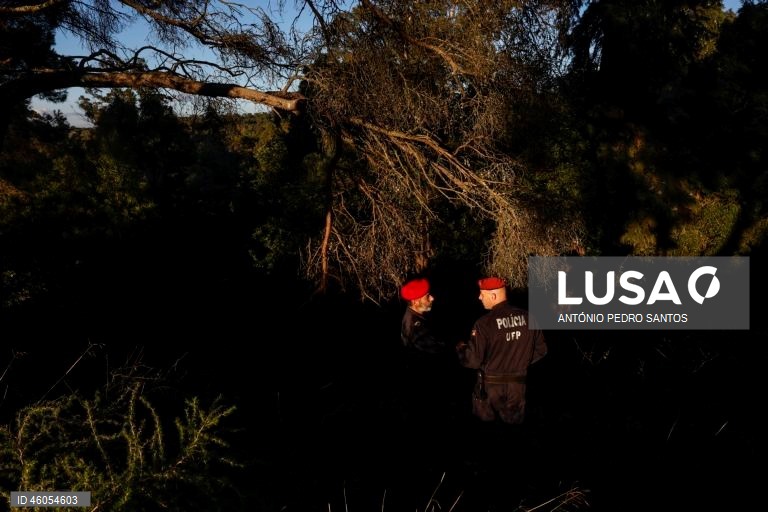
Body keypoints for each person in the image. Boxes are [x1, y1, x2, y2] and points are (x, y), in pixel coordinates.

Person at [456, 276, 547, 425]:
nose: (479, 298)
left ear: (493, 295)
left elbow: (473, 360)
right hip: (517, 387)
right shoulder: (529, 317)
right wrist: (520, 363)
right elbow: (541, 350)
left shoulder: (483, 324)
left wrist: (461, 350)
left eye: (482, 294)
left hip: (490, 388)